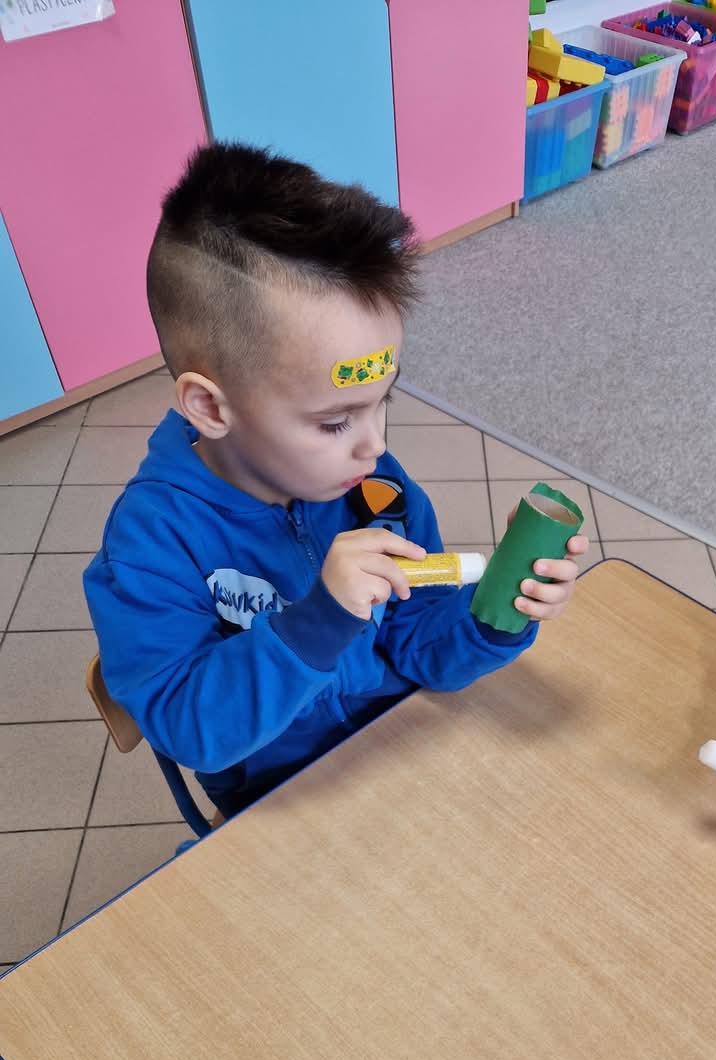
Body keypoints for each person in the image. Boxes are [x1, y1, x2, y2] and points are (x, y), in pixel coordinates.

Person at [84, 142, 587, 818]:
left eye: (383, 400)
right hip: (277, 798)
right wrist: (319, 621)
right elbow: (190, 730)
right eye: (334, 421)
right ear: (210, 407)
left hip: (393, 751)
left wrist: (499, 612)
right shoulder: (150, 546)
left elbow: (419, 646)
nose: (375, 444)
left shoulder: (378, 493)